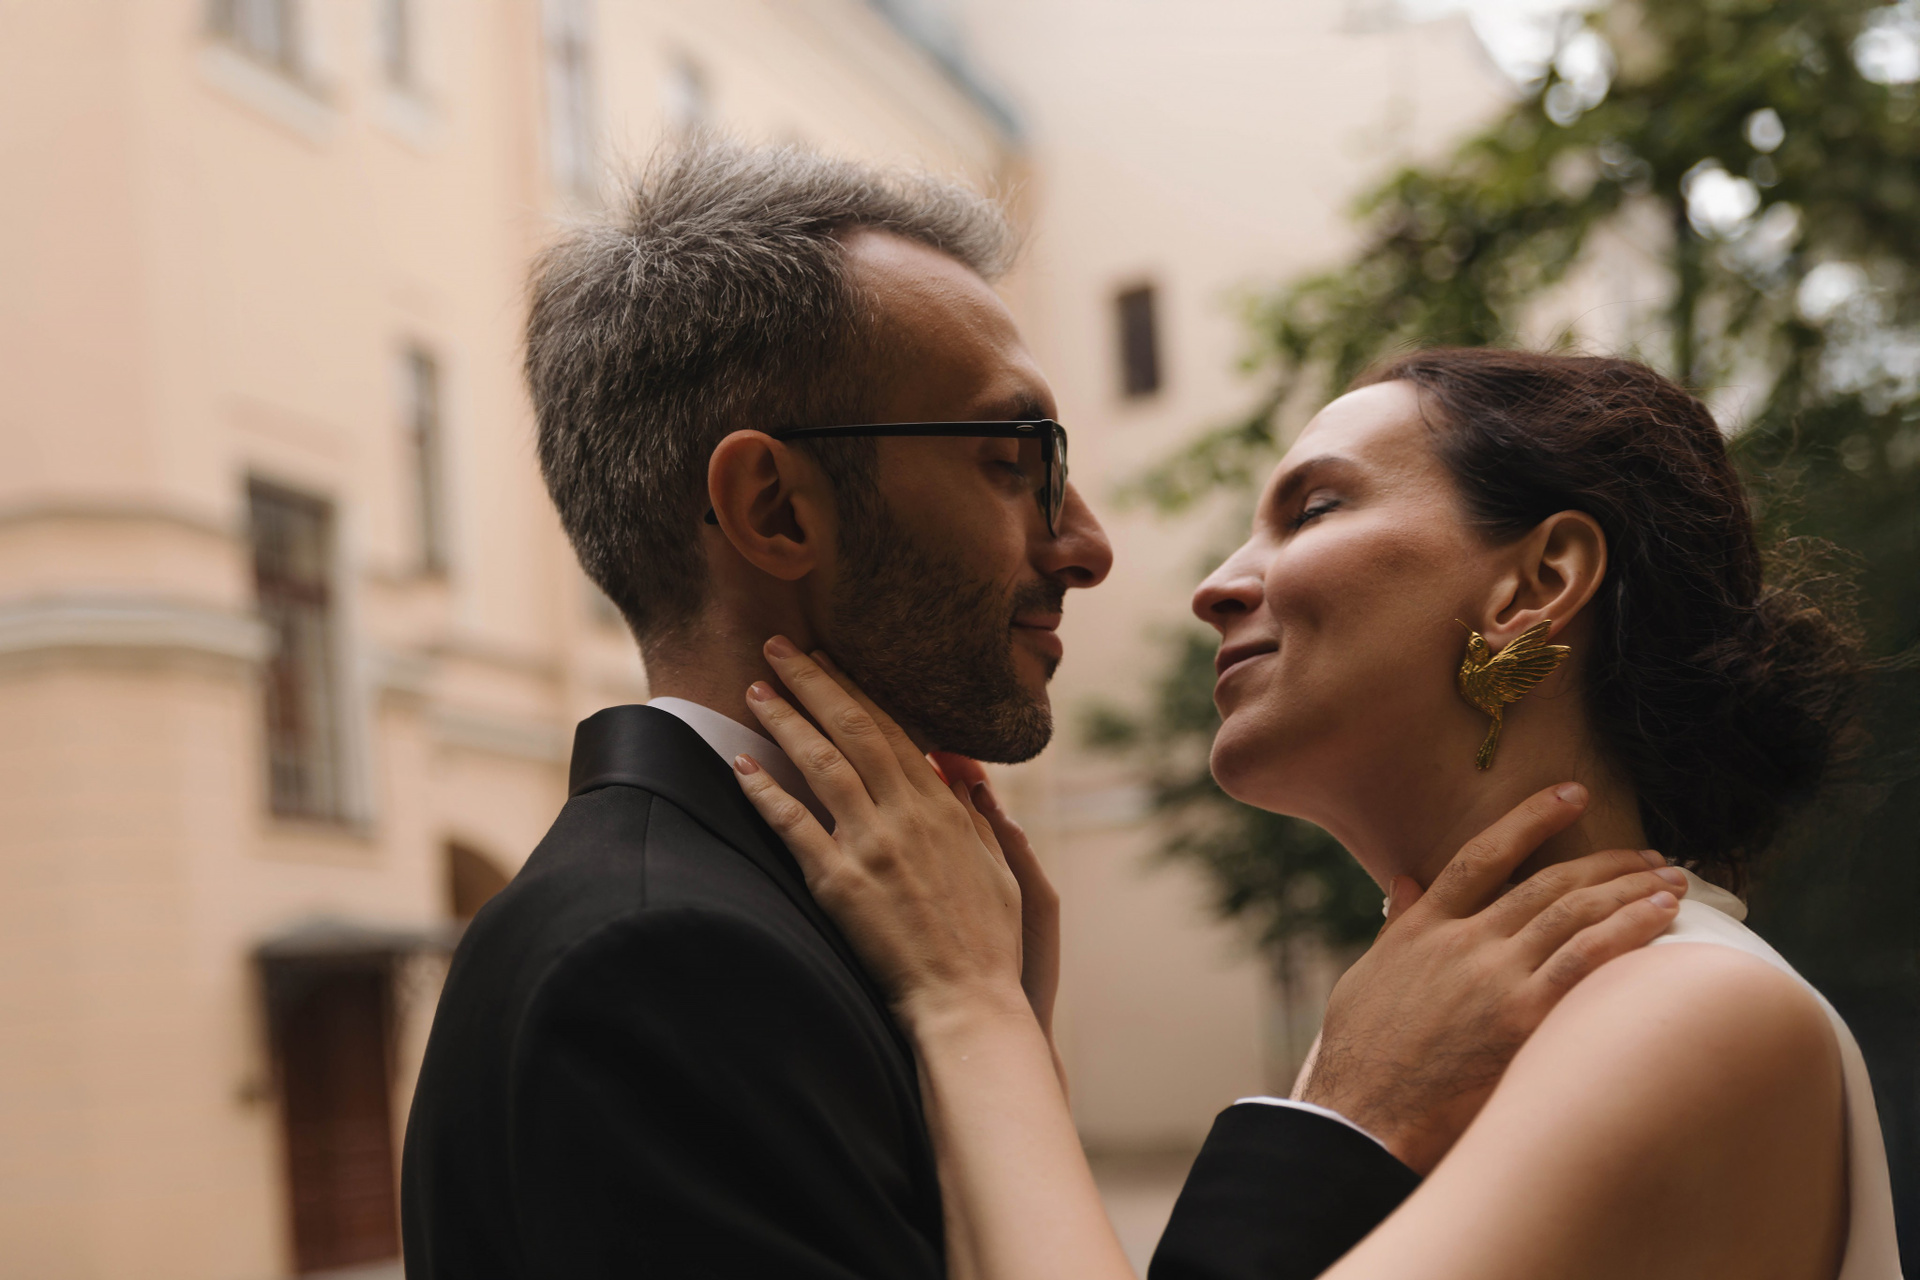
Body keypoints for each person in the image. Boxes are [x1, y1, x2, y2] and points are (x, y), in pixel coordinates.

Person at [399, 143, 1688, 1278]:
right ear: (778, 509)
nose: (1089, 546)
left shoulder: (811, 921)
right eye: (1016, 462)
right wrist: (1344, 1116)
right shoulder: (656, 963)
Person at [733, 349, 1904, 1280]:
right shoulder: (1418, 1030)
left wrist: (969, 1001)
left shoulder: (1692, 1011)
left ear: (1539, 583)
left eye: (1313, 507)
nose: (1215, 585)